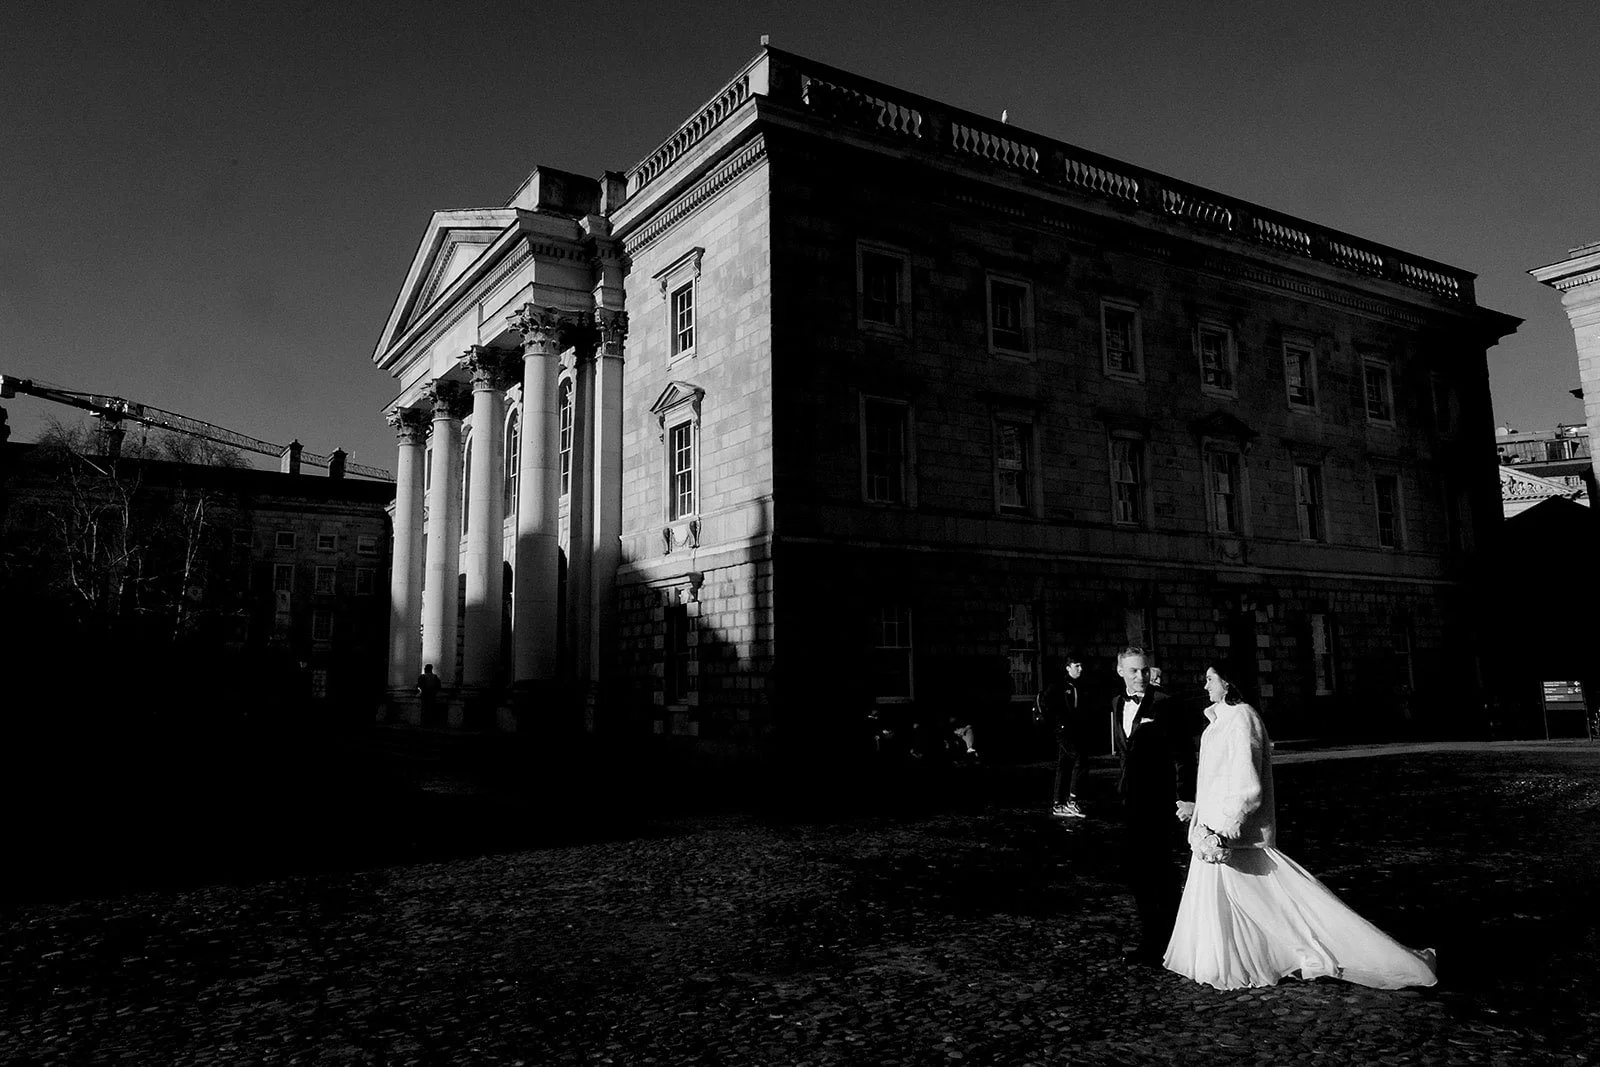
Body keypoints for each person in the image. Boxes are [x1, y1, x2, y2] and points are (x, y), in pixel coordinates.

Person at [1164, 663, 1438, 990]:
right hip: (1212, 831)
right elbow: (1216, 780)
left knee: (1284, 906)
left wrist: (1230, 822)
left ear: (1228, 682)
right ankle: (1240, 960)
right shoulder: (1216, 724)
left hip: (1232, 835)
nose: (1205, 684)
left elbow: (1247, 781)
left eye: (1211, 678)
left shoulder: (1242, 718)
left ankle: (1354, 954)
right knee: (1247, 907)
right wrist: (1198, 810)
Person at [1112, 646, 1197, 966]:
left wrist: (1185, 797)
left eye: (1145, 670)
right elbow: (1125, 752)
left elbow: (1183, 755)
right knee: (1137, 872)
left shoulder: (1165, 704)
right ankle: (1152, 939)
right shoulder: (1116, 703)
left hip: (1160, 802)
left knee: (1161, 873)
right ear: (1120, 671)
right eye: (1134, 670)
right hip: (1130, 801)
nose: (1141, 676)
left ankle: (1170, 942)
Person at [1035, 654, 1088, 817]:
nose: (1080, 669)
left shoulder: (1080, 685)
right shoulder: (1059, 685)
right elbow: (1045, 703)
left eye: (1081, 665)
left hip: (1074, 730)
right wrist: (1057, 722)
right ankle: (1072, 800)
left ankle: (1058, 804)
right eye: (1076, 666)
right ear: (1068, 668)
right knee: (1079, 760)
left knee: (1063, 765)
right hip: (1063, 730)